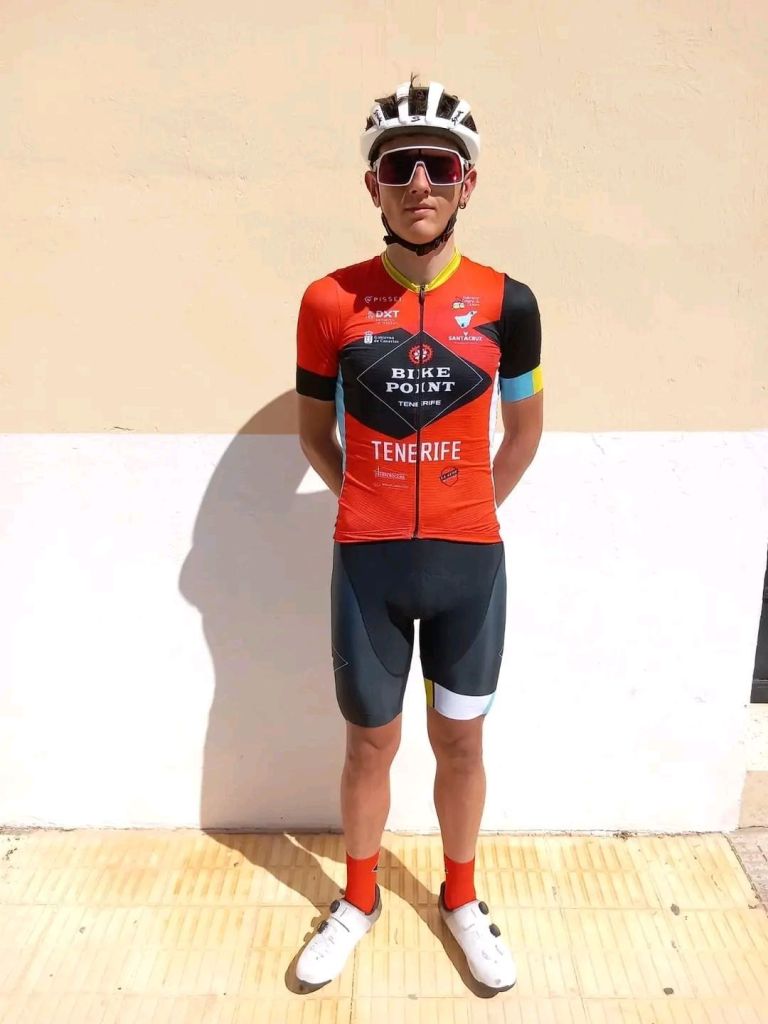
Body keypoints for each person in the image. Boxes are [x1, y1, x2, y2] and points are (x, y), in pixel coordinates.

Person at [294, 77, 543, 991]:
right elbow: (313, 434)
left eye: (440, 165)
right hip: (369, 565)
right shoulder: (330, 301)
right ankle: (357, 899)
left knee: (463, 744)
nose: (420, 183)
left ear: (467, 181)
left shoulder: (510, 303)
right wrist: (367, 497)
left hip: (469, 566)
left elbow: (524, 433)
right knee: (368, 745)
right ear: (374, 185)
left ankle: (462, 898)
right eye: (400, 166)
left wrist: (468, 508)